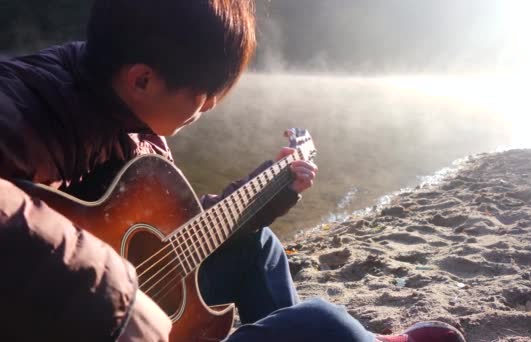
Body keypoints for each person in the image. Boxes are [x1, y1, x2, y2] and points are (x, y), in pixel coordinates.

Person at [0, 0, 466, 341]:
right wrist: (115, 299)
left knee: (257, 247)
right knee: (322, 324)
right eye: (203, 100)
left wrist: (272, 186)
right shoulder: (22, 107)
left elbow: (174, 223)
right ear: (142, 78)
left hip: (123, 303)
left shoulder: (127, 107)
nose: (202, 113)